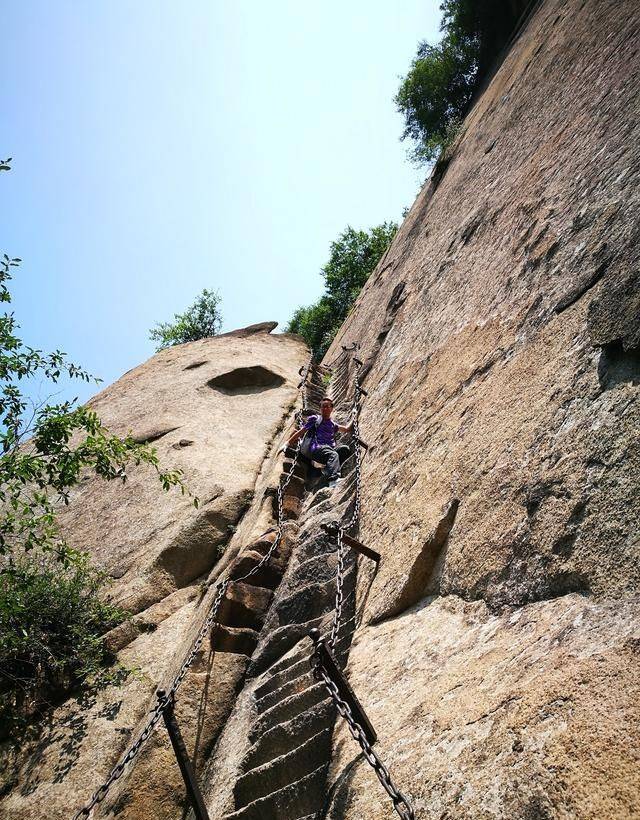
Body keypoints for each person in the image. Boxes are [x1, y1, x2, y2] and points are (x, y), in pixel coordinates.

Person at [285, 396, 353, 487]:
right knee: (333, 455)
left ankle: (327, 469)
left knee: (345, 449)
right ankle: (333, 480)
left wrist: (355, 415)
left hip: (326, 450)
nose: (325, 408)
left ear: (331, 408)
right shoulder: (315, 419)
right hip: (316, 448)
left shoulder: (332, 424)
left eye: (327, 406)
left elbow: (346, 429)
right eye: (323, 406)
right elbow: (302, 431)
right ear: (320, 409)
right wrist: (287, 443)